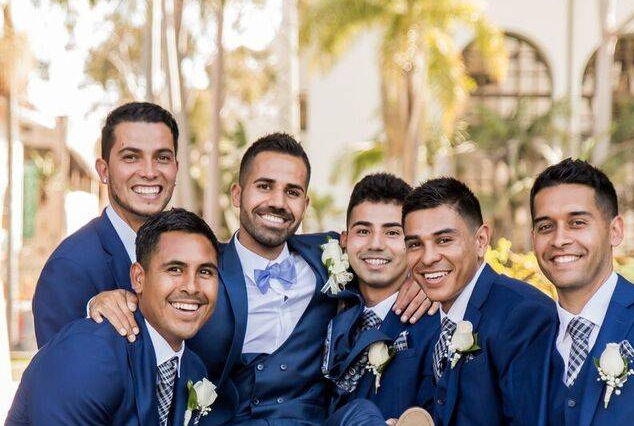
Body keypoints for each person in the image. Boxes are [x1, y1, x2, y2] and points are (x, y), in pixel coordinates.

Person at [93, 133, 433, 425]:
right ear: (238, 195)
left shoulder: (329, 256)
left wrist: (416, 276)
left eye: (292, 192)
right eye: (265, 186)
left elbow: (382, 251)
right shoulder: (202, 272)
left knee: (361, 411)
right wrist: (100, 301)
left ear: (305, 203)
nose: (277, 202)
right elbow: (154, 301)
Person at [8, 209, 219, 425]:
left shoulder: (193, 367)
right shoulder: (90, 356)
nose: (192, 287)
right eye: (174, 269)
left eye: (205, 272)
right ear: (138, 278)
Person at [518, 158, 634, 425]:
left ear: (615, 231)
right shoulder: (527, 337)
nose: (559, 240)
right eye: (546, 227)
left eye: (577, 223)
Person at [402, 177, 554, 426]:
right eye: (415, 244)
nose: (428, 258)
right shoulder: (428, 318)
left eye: (444, 240)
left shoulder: (523, 315)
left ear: (481, 240)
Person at [32, 102, 179, 347]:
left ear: (176, 167)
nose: (150, 172)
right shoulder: (68, 268)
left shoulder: (190, 253)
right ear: (104, 170)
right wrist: (90, 314)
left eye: (162, 157)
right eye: (131, 157)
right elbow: (55, 378)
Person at [323, 173, 439, 424]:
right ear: (344, 240)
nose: (376, 244)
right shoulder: (324, 303)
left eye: (392, 232)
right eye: (363, 230)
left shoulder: (434, 318)